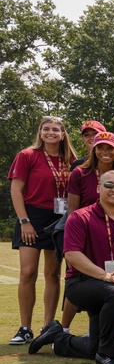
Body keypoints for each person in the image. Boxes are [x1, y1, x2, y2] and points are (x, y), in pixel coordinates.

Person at [28, 170, 114, 364]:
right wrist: (105, 275)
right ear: (98, 188)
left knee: (95, 345)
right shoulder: (80, 217)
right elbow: (72, 255)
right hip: (81, 283)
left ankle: (57, 338)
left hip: (112, 284)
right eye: (109, 185)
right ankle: (107, 356)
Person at [9, 116, 77, 345]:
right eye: (46, 129)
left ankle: (48, 326)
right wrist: (24, 220)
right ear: (40, 132)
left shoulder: (71, 159)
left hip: (59, 218)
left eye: (56, 129)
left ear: (63, 133)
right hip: (32, 216)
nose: (51, 133)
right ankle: (25, 327)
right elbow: (16, 189)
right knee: (27, 272)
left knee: (52, 273)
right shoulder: (27, 155)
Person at [62, 131, 114, 332]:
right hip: (83, 235)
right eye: (101, 147)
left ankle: (96, 331)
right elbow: (72, 209)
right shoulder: (80, 173)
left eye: (110, 148)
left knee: (107, 283)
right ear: (94, 149)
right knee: (78, 278)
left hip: (111, 237)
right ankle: (62, 329)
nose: (105, 152)